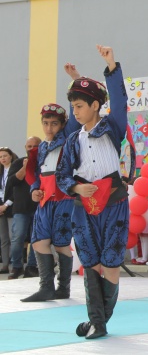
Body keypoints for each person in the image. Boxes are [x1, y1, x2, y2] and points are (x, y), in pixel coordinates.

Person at [56, 45, 131, 339]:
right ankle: (96, 322)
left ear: (96, 106)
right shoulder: (73, 139)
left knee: (111, 263)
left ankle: (99, 321)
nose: (74, 112)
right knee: (90, 262)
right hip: (83, 207)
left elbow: (121, 103)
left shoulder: (113, 127)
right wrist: (76, 186)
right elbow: (63, 174)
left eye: (79, 107)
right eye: (73, 106)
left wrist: (111, 64)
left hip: (113, 202)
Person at [20, 65, 82, 299]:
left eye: (54, 123)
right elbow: (36, 174)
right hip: (45, 200)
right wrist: (35, 189)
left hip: (64, 198)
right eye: (46, 123)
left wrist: (76, 79)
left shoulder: (68, 137)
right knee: (38, 242)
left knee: (61, 244)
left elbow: (73, 112)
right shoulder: (42, 147)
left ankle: (63, 288)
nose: (49, 128)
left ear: (62, 124)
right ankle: (46, 286)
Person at [4, 137, 41, 280]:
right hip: (20, 208)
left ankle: (31, 267)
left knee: (36, 239)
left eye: (35, 146)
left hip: (39, 207)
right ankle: (17, 267)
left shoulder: (44, 163)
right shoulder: (18, 163)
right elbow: (12, 182)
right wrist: (26, 168)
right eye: (29, 146)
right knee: (17, 238)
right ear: (25, 147)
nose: (32, 149)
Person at [0, 147, 19, 273]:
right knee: (3, 238)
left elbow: (15, 191)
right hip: (0, 207)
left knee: (14, 236)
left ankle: (16, 264)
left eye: (5, 156)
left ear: (11, 156)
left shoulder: (15, 169)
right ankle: (5, 265)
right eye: (1, 157)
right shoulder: (0, 172)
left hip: (12, 206)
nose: (3, 159)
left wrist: (6, 205)